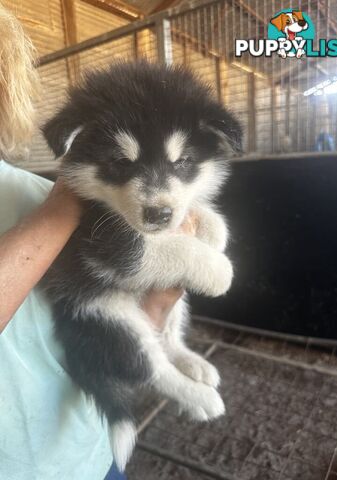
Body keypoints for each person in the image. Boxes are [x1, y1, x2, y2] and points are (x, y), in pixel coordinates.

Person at [0, 5, 191, 479]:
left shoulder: (30, 191)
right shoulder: (58, 202)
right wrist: (66, 206)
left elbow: (121, 320)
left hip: (86, 455)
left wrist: (163, 298)